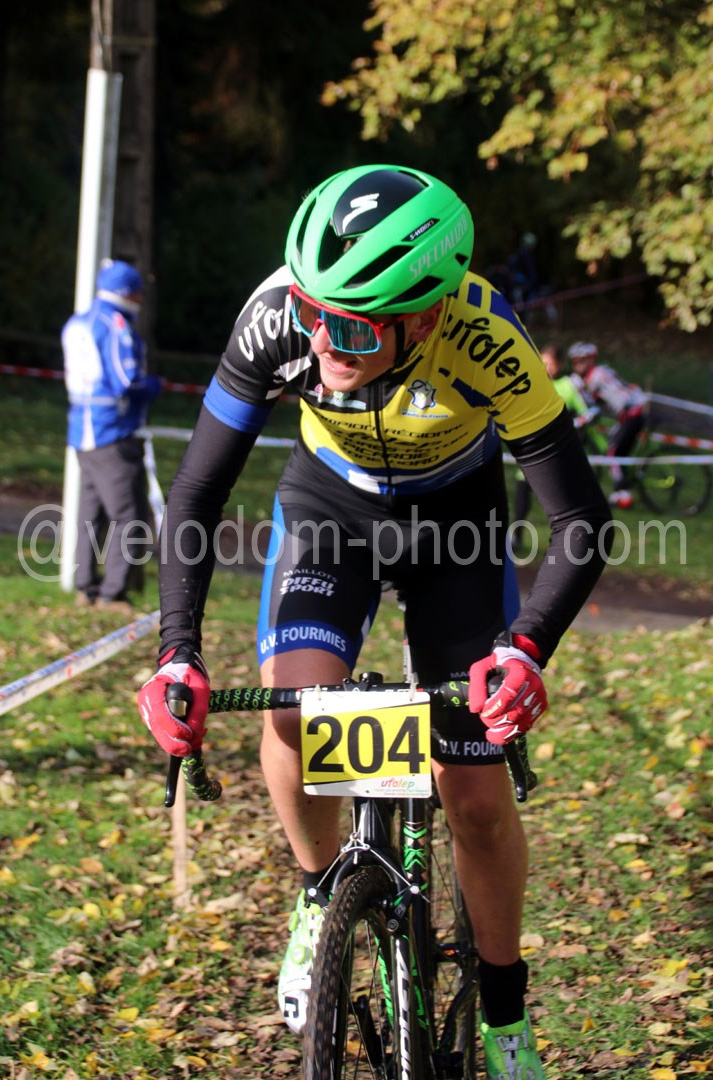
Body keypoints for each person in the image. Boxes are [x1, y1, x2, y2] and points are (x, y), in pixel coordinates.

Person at [137, 165, 611, 1079]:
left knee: (475, 796)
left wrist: (526, 649)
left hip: (457, 524)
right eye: (313, 312)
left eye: (351, 326)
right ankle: (321, 894)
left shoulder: (486, 336)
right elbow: (195, 493)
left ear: (424, 319)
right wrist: (176, 653)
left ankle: (506, 1017)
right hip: (330, 511)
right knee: (292, 716)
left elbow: (582, 518)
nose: (322, 339)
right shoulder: (279, 317)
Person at [62, 258, 161, 610]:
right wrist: (154, 386)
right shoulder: (115, 324)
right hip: (112, 431)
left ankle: (86, 587)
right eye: (137, 293)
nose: (139, 299)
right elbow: (125, 380)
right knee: (128, 514)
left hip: (82, 430)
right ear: (126, 293)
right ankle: (113, 593)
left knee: (91, 514)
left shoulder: (77, 321)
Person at [512, 343, 605, 544]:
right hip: (532, 452)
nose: (547, 368)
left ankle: (564, 543)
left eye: (551, 364)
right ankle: (516, 536)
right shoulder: (530, 382)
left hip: (559, 456)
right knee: (522, 493)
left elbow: (589, 412)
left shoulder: (568, 385)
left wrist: (571, 425)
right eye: (543, 363)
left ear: (561, 365)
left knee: (560, 505)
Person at [568, 341, 647, 509]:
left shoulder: (596, 375)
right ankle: (619, 491)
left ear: (591, 359)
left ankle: (624, 494)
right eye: (575, 361)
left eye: (582, 360)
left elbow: (590, 400)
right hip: (628, 414)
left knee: (613, 453)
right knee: (617, 449)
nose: (577, 364)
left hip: (631, 415)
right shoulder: (599, 373)